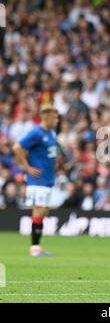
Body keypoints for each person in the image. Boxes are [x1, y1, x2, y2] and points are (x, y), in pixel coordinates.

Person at [13, 104, 59, 256]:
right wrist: (27, 168)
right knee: (39, 211)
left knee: (44, 211)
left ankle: (37, 246)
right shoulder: (36, 133)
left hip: (47, 178)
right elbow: (17, 147)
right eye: (54, 117)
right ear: (46, 117)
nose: (57, 120)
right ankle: (35, 247)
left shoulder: (50, 132)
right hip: (38, 179)